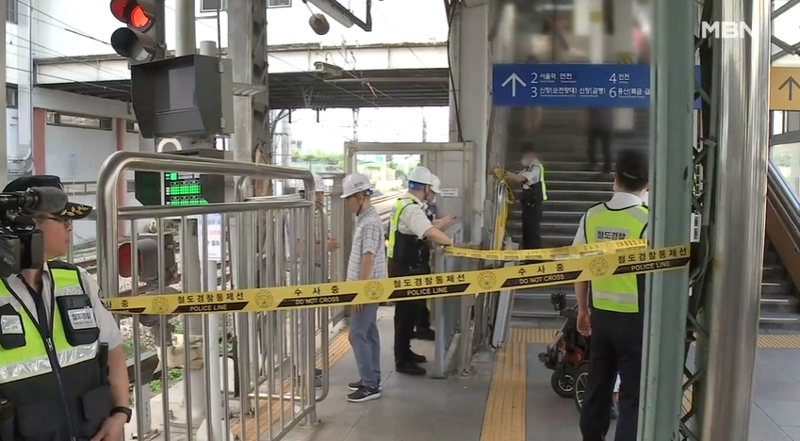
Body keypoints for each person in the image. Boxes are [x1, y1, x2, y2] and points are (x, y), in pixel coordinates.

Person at [0, 175, 130, 441]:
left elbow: (113, 350)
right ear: (26, 225)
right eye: (62, 219)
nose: (71, 228)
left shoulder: (79, 280)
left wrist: (120, 413)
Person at [573, 149, 649, 441]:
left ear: (614, 178)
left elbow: (579, 267)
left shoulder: (592, 216)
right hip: (636, 321)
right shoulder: (647, 220)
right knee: (632, 396)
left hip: (601, 317)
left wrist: (582, 309)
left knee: (598, 387)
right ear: (647, 184)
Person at [386, 167, 455, 376]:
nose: (432, 196)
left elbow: (425, 225)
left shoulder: (407, 204)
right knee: (405, 315)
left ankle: (406, 351)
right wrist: (453, 243)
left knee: (411, 312)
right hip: (407, 269)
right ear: (425, 188)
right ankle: (402, 360)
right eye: (432, 192)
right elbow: (427, 231)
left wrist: (441, 223)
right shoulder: (411, 209)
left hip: (407, 266)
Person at [340, 173, 385, 402]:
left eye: (347, 198)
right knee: (368, 333)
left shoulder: (369, 223)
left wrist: (360, 292)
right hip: (371, 287)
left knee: (357, 334)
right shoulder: (366, 219)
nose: (345, 203)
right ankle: (372, 378)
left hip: (367, 289)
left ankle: (370, 385)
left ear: (359, 196)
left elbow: (368, 258)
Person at [505, 146, 547, 250]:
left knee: (532, 232)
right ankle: (527, 254)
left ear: (531, 155)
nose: (523, 158)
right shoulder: (529, 168)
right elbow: (516, 177)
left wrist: (505, 174)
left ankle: (534, 258)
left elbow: (521, 178)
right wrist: (503, 174)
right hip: (528, 205)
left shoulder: (537, 167)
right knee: (527, 231)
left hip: (534, 204)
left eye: (524, 155)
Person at [586, 107, 614, 174]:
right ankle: (606, 167)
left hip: (597, 125)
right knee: (605, 148)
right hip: (603, 125)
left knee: (593, 146)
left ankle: (594, 163)